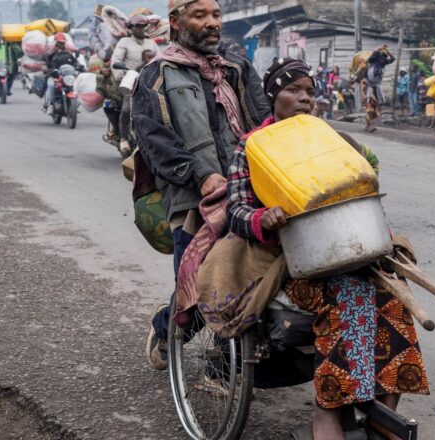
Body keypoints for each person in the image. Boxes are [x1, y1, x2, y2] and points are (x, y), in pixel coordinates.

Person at [228, 56, 429, 440]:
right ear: (274, 97)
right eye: (293, 90)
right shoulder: (252, 147)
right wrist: (262, 218)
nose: (304, 99)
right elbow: (235, 210)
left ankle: (382, 419)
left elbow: (365, 196)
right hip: (291, 264)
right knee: (349, 299)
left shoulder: (332, 141)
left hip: (351, 254)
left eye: (310, 91)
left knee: (394, 303)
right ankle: (329, 415)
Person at [135, 0, 271, 371]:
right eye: (200, 16)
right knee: (195, 294)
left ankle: (226, 368)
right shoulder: (157, 73)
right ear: (176, 22)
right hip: (192, 197)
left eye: (216, 16)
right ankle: (165, 329)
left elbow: (263, 120)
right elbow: (153, 138)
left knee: (258, 280)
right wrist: (201, 174)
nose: (212, 23)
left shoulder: (235, 67)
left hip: (247, 189)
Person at [111, 14, 160, 156]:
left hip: (150, 80)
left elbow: (162, 58)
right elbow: (116, 60)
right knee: (127, 109)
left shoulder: (151, 43)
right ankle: (124, 138)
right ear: (131, 28)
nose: (140, 29)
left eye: (143, 26)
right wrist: (121, 77)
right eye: (137, 26)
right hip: (131, 79)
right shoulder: (124, 42)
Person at [363, 45, 396, 132]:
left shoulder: (383, 64)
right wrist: (381, 48)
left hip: (376, 87)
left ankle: (369, 124)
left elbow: (393, 59)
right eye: (382, 57)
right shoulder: (373, 60)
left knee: (375, 106)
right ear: (378, 57)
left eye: (384, 58)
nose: (383, 59)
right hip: (368, 86)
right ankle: (370, 124)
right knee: (370, 105)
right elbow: (374, 51)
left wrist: (387, 51)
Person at [43, 33, 79, 114]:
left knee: (76, 85)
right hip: (54, 75)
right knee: (51, 85)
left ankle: (74, 105)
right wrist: (48, 69)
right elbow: (46, 61)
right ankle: (50, 105)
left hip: (66, 76)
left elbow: (75, 62)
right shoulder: (51, 52)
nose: (61, 44)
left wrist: (79, 66)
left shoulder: (68, 52)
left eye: (63, 42)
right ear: (56, 42)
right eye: (60, 42)